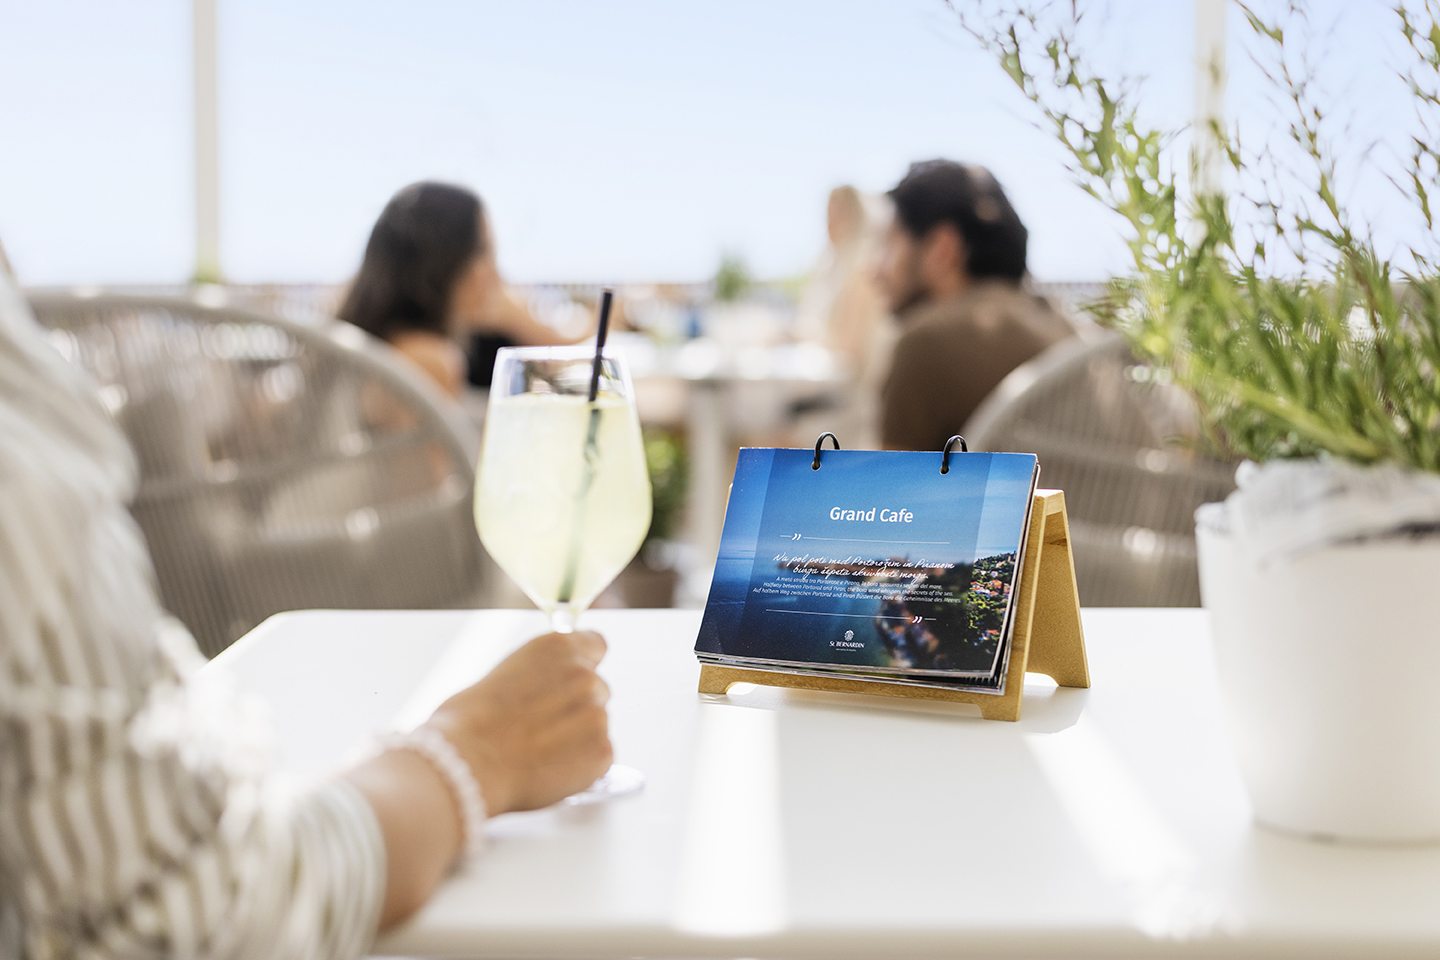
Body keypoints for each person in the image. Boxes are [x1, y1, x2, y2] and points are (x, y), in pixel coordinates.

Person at [0, 259, 612, 956]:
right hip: (357, 580)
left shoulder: (337, 344)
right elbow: (190, 905)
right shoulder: (427, 359)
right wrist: (474, 755)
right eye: (485, 264)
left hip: (257, 578)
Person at [875, 160, 1074, 451]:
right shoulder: (1058, 321)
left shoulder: (925, 344)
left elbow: (889, 478)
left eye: (889, 244)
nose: (875, 270)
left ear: (942, 249)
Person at [338, 181, 568, 398]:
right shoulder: (430, 361)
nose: (495, 274)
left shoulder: (375, 347)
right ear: (441, 260)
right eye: (482, 251)